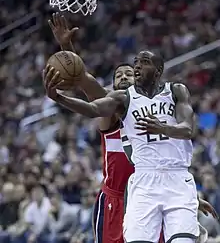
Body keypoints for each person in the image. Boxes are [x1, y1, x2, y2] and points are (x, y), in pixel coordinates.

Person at [46, 14, 218, 243]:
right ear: (113, 85)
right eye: (119, 75)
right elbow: (81, 78)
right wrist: (66, 47)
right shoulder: (112, 106)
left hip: (151, 192)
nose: (126, 75)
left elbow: (168, 158)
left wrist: (191, 197)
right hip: (116, 200)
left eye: (130, 72)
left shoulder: (155, 103)